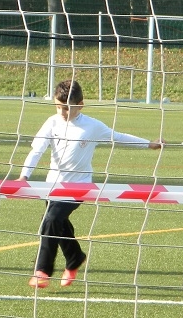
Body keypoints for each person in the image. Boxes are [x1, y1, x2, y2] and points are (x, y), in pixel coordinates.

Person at [18, 79, 162, 289]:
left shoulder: (92, 126)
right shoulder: (51, 123)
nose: (62, 112)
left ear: (81, 105)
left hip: (79, 186)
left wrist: (149, 144)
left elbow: (118, 137)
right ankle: (75, 258)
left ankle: (42, 271)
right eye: (58, 107)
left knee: (51, 220)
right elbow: (37, 150)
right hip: (53, 186)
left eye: (67, 108)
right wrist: (24, 176)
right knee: (57, 224)